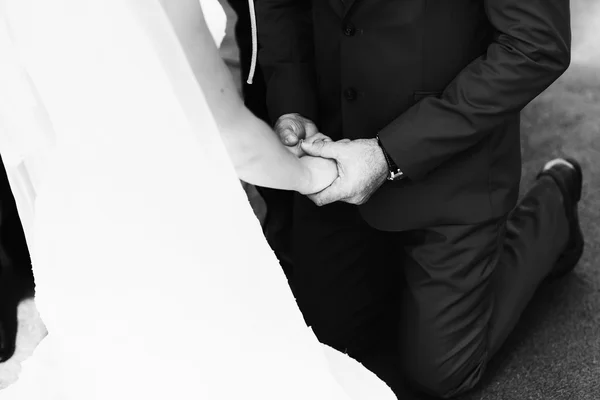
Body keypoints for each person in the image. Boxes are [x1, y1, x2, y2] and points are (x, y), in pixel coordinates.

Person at [0, 0, 396, 399]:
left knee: (116, 370)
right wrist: (319, 174)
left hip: (74, 212)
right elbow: (232, 139)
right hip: (165, 214)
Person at [257, 1, 585, 398]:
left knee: (442, 373)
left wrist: (389, 153)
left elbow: (537, 44)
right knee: (322, 345)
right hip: (334, 149)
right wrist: (293, 105)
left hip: (455, 168)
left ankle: (554, 203)